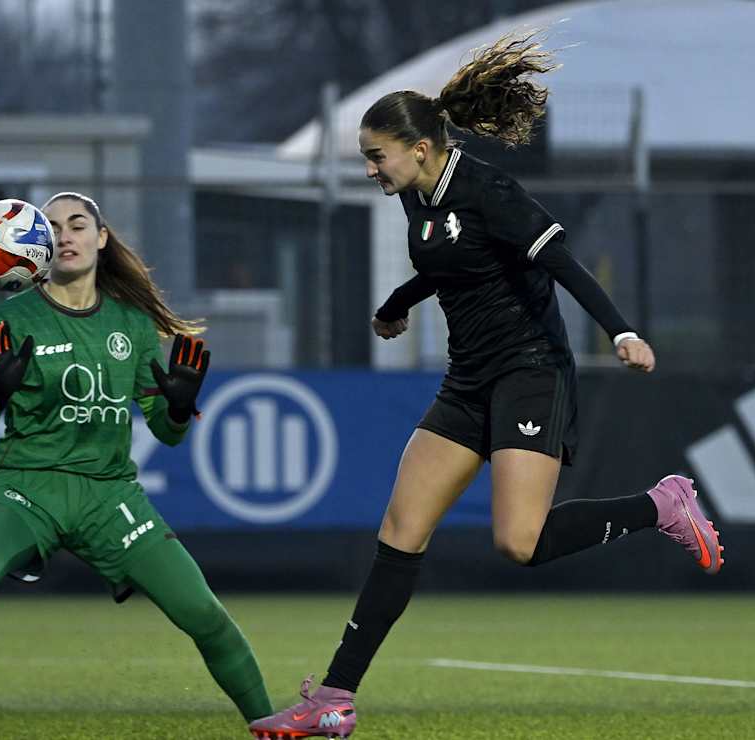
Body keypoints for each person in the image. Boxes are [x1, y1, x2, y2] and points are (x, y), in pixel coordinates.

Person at [249, 33, 723, 740]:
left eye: (377, 156)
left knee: (518, 543)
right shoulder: (420, 194)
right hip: (468, 380)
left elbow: (562, 261)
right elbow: (455, 262)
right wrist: (401, 302)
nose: (371, 170)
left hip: (531, 373)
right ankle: (336, 698)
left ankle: (660, 505)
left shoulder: (488, 190)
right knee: (401, 532)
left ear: (419, 147)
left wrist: (620, 332)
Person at [0, 193, 272, 739]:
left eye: (77, 224)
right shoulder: (9, 318)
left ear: (101, 238)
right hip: (25, 486)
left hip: (110, 496)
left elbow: (166, 434)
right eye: (52, 226)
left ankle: (270, 725)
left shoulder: (131, 326)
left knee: (203, 612)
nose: (64, 235)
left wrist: (179, 408)